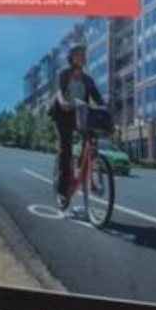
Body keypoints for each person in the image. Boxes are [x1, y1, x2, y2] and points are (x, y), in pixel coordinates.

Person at [51, 46, 104, 207]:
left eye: (83, 55)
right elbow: (60, 92)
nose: (81, 57)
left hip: (81, 113)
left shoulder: (87, 79)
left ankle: (84, 168)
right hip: (63, 113)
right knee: (65, 150)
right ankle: (62, 191)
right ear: (71, 57)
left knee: (91, 139)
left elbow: (97, 97)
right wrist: (63, 102)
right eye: (77, 55)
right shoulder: (64, 74)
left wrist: (104, 106)